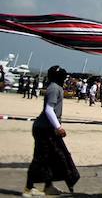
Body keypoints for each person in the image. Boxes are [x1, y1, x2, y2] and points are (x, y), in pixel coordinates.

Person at [24, 65, 80, 196]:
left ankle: (48, 186)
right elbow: (49, 109)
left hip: (48, 128)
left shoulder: (56, 87)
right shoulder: (54, 88)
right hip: (44, 128)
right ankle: (28, 188)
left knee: (51, 157)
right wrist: (58, 127)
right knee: (40, 157)